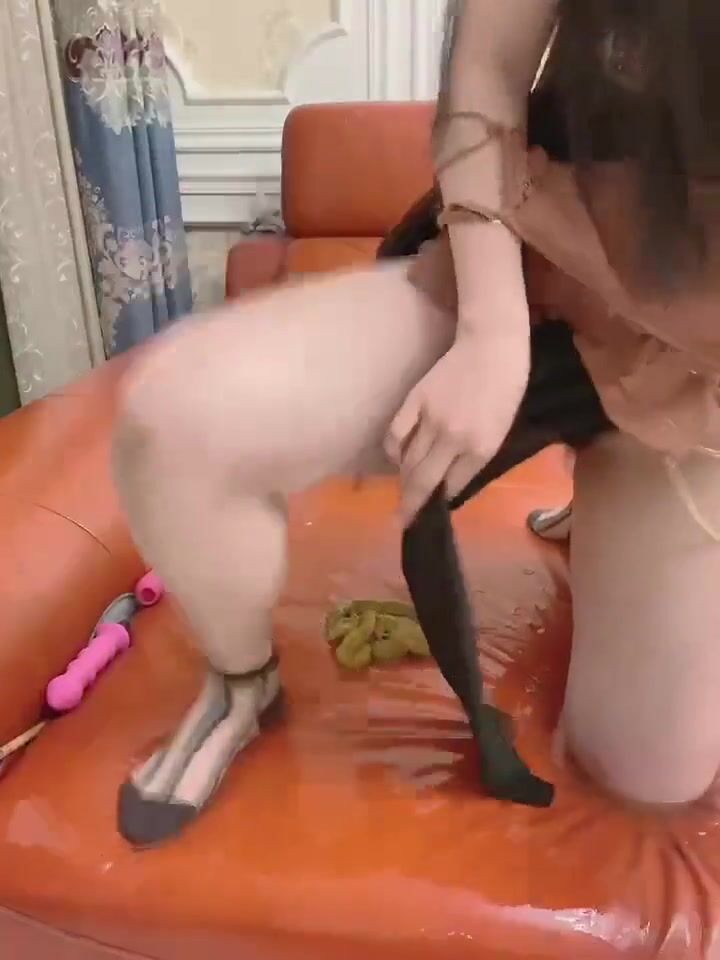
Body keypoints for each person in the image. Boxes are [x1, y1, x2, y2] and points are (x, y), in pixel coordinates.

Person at [112, 0, 720, 847]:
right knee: (174, 427)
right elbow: (487, 71)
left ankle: (614, 488)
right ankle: (242, 684)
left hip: (697, 375)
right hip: (538, 254)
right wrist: (491, 331)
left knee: (649, 774)